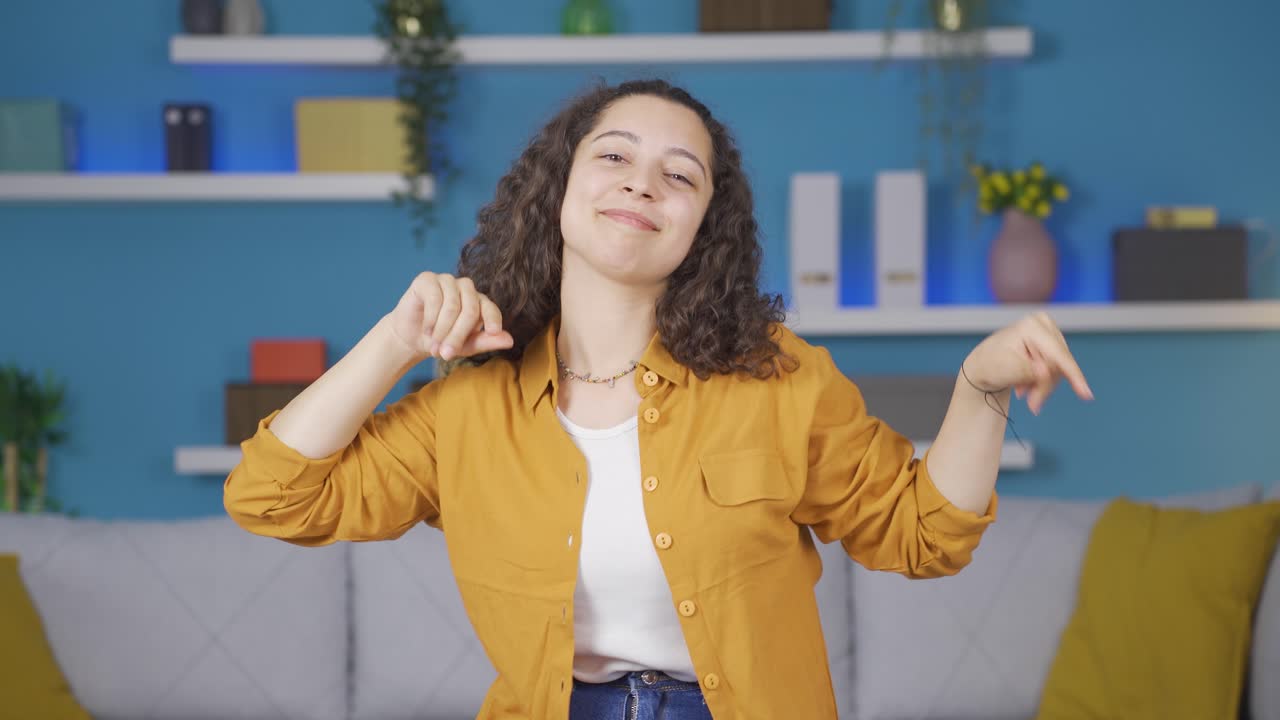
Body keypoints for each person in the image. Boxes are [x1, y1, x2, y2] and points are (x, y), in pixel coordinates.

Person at [223, 78, 1093, 720]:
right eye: (613, 157)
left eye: (680, 176)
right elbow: (271, 496)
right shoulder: (470, 406)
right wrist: (396, 340)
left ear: (702, 227)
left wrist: (979, 391)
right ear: (559, 189)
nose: (642, 183)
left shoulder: (776, 377)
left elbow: (926, 537)